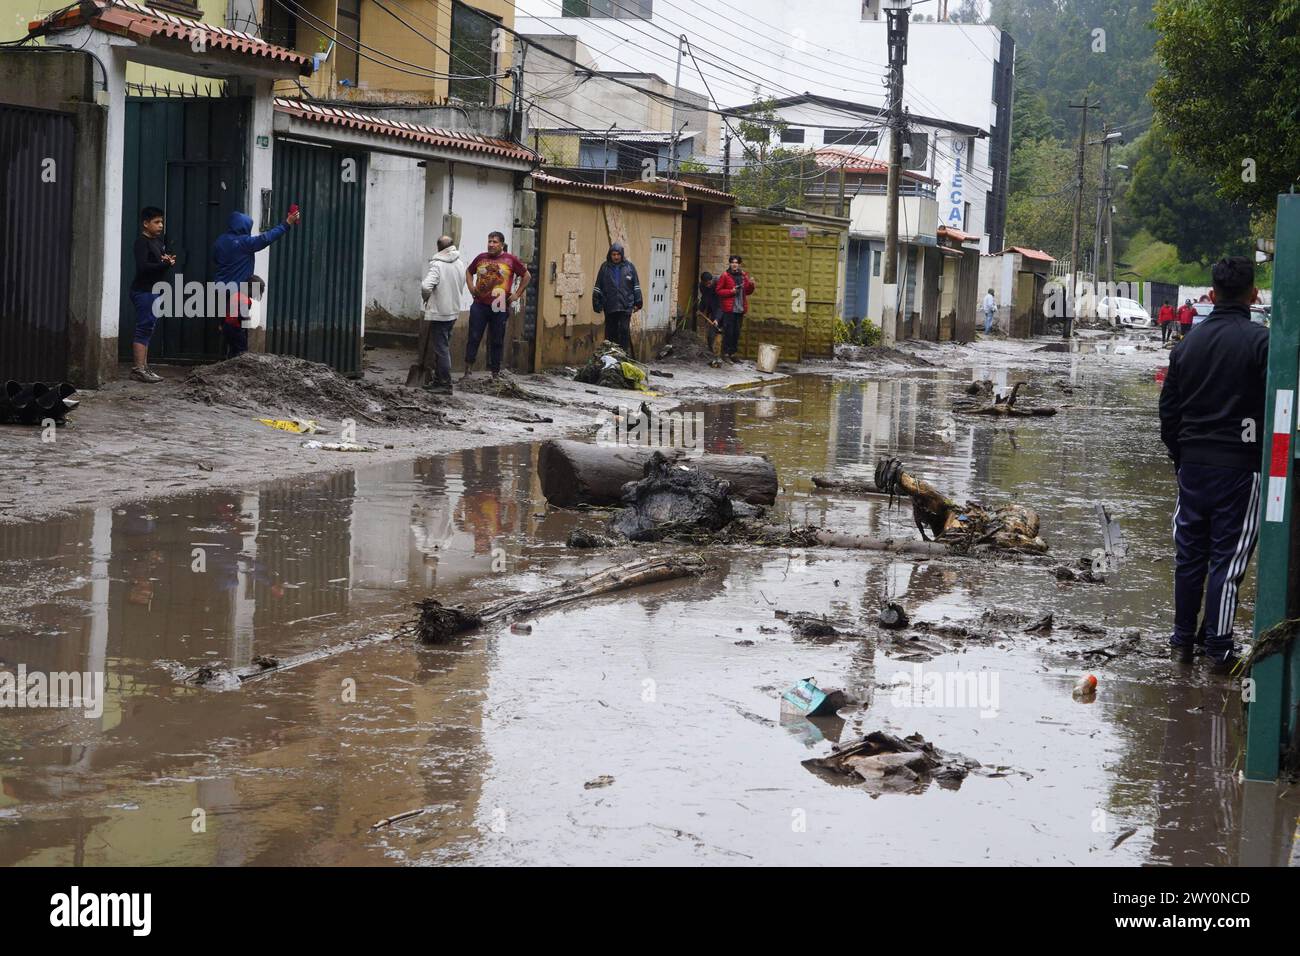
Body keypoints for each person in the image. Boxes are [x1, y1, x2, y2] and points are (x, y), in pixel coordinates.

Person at [1159, 256, 1268, 671]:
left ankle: (1182, 642)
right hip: (1242, 467)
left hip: (1193, 467)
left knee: (1189, 558)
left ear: (1212, 293)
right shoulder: (1262, 343)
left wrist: (1181, 458)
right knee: (1228, 559)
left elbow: (1168, 411)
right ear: (1253, 294)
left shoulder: (1187, 345)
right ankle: (1219, 650)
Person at [212, 207, 299, 343]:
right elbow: (266, 238)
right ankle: (238, 357)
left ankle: (225, 355)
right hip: (238, 293)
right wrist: (287, 223)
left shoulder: (220, 241)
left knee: (225, 326)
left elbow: (215, 260)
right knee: (239, 328)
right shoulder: (245, 243)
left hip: (221, 290)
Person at [464, 231, 529, 381]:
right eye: (489, 241)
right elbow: (469, 271)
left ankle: (495, 373)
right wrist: (471, 288)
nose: (491, 244)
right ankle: (468, 371)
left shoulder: (510, 260)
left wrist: (517, 294)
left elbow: (527, 276)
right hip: (479, 305)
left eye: (494, 242)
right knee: (474, 336)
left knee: (497, 339)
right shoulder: (481, 258)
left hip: (499, 305)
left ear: (501, 244)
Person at [128, 206, 176, 383]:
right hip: (143, 291)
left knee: (148, 328)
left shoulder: (157, 242)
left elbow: (158, 261)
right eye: (156, 222)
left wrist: (167, 260)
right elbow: (143, 267)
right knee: (144, 328)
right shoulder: (142, 242)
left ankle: (144, 367)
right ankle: (138, 369)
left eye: (161, 221)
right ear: (145, 223)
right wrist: (164, 265)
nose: (160, 225)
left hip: (153, 291)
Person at [420, 235, 471, 394]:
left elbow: (426, 286)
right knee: (443, 346)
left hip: (440, 313)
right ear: (452, 246)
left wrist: (426, 298)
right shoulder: (460, 263)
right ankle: (437, 380)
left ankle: (445, 383)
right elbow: (461, 283)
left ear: (438, 248)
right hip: (453, 311)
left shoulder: (437, 265)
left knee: (441, 349)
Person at [591, 242, 643, 355]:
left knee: (624, 330)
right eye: (613, 254)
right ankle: (610, 355)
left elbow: (636, 286)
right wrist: (596, 302)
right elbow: (598, 286)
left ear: (621, 254)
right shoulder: (604, 268)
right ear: (610, 255)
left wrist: (638, 302)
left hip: (626, 305)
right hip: (610, 305)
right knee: (610, 331)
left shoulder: (629, 267)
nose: (615, 257)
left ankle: (623, 354)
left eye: (618, 254)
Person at [714, 255, 755, 363]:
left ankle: (732, 354)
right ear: (730, 264)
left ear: (739, 264)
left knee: (736, 333)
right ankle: (726, 354)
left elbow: (748, 291)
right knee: (729, 332)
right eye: (732, 262)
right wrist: (730, 292)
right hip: (729, 309)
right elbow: (718, 291)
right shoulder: (725, 275)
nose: (734, 264)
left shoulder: (743, 275)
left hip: (740, 309)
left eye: (736, 262)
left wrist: (751, 284)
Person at [220, 274, 264, 358]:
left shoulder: (235, 295)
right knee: (241, 350)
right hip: (236, 329)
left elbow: (226, 310)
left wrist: (222, 324)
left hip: (227, 326)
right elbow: (241, 315)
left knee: (232, 349)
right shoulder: (245, 300)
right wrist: (247, 320)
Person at [698, 271, 721, 354]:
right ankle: (711, 351)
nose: (708, 285)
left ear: (712, 280)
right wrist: (700, 309)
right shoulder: (702, 286)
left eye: (709, 283)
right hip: (711, 308)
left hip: (721, 310)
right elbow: (704, 298)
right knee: (711, 333)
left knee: (718, 332)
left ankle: (721, 353)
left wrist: (717, 319)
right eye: (706, 284)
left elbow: (720, 305)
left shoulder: (718, 285)